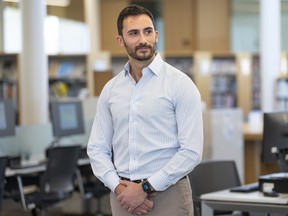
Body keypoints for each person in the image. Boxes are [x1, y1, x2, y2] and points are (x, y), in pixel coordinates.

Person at [87, 4, 203, 216]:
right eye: (133, 33)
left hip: (168, 194)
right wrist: (120, 188)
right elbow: (96, 148)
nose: (143, 40)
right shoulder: (111, 90)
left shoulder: (180, 84)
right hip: (122, 197)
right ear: (120, 40)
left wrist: (145, 188)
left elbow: (192, 152)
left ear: (156, 35)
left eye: (147, 31)